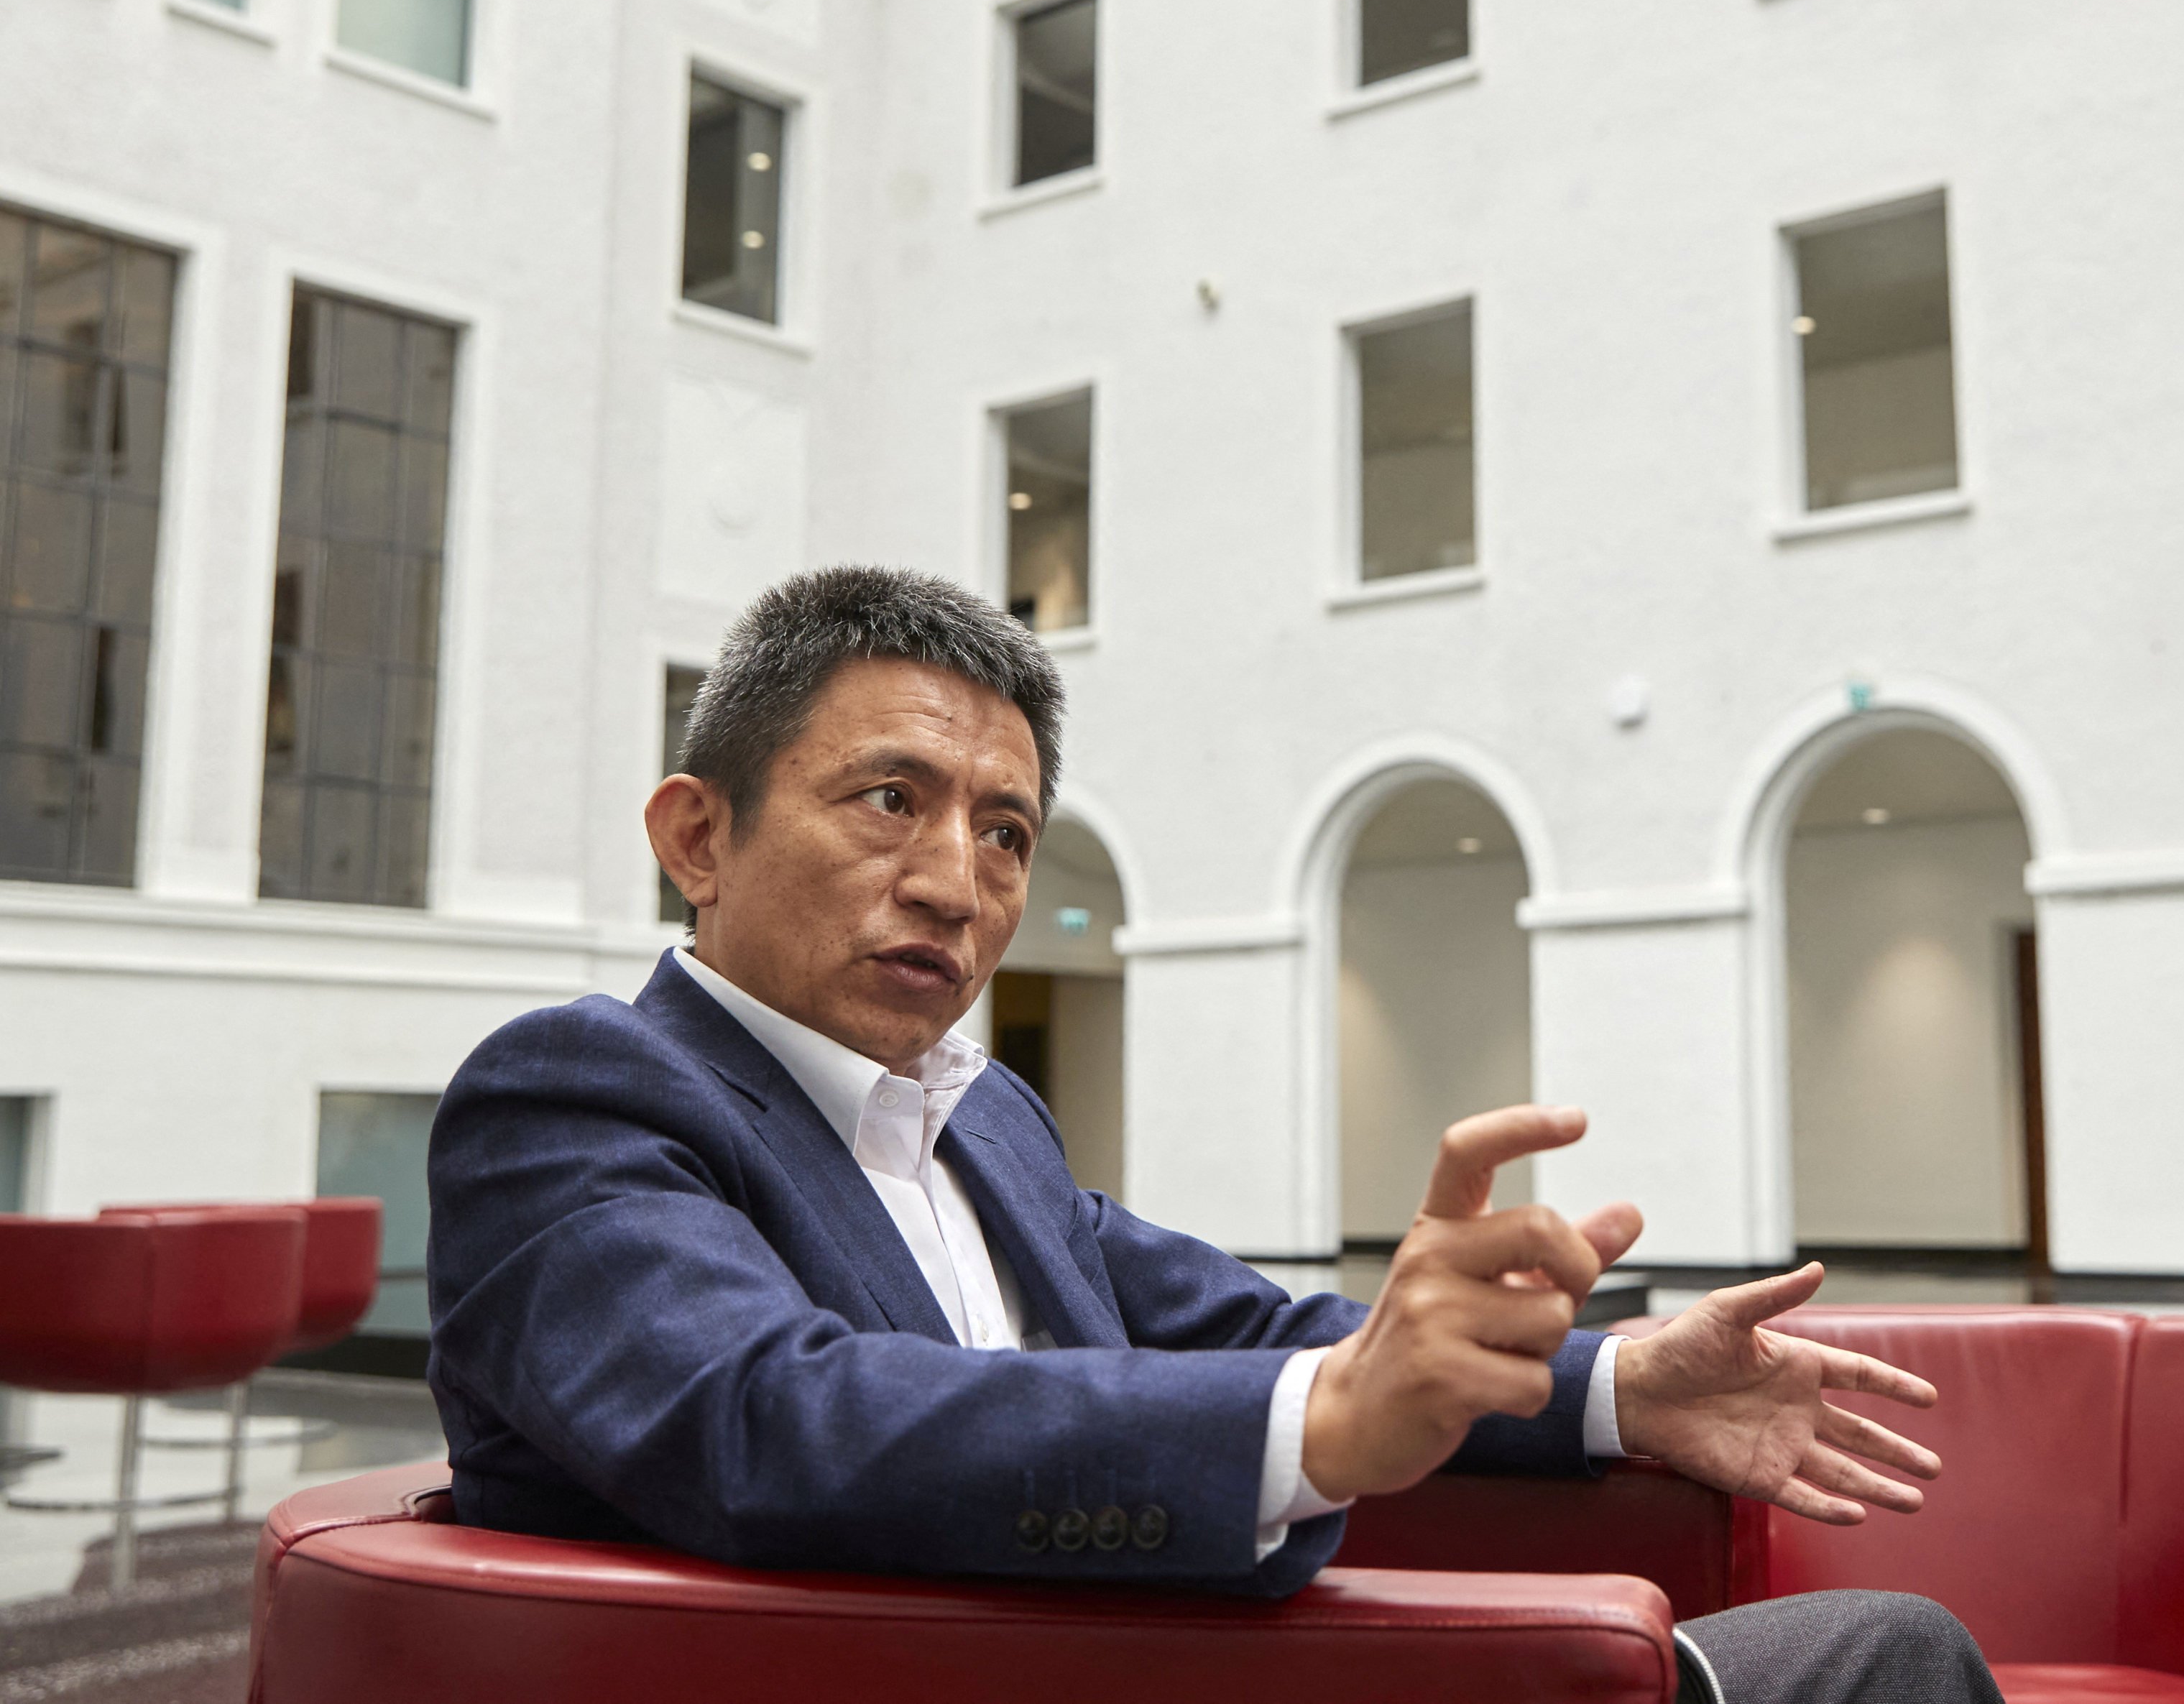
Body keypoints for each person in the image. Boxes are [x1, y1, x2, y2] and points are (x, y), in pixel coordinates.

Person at [427, 566, 2004, 1704]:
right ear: (699, 836)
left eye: (1003, 831)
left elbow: (1253, 1326)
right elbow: (773, 1422)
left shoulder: (985, 1126)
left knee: (1882, 1643)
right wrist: (1318, 1427)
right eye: (889, 799)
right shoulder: (577, 1099)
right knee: (1883, 1662)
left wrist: (1611, 1383)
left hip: (1154, 1655)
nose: (956, 881)